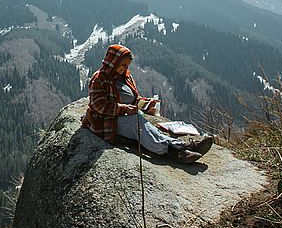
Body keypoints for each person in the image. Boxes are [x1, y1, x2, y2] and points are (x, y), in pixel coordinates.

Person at [81, 44, 214, 164]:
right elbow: (98, 105)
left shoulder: (125, 77)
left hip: (125, 116)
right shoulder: (99, 79)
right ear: (113, 62)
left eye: (127, 65)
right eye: (123, 65)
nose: (125, 68)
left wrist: (145, 104)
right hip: (107, 121)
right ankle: (174, 150)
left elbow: (134, 99)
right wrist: (123, 109)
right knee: (138, 124)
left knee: (147, 127)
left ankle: (181, 147)